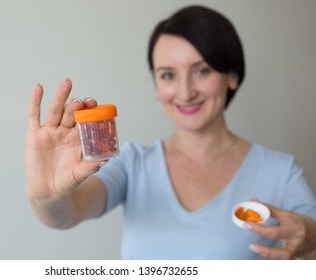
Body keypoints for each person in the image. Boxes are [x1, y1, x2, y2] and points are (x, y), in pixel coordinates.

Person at [25, 5, 316, 259]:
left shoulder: (281, 173)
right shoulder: (132, 163)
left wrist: (312, 239)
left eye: (202, 71)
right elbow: (68, 213)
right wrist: (46, 197)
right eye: (168, 75)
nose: (185, 91)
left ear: (232, 75)